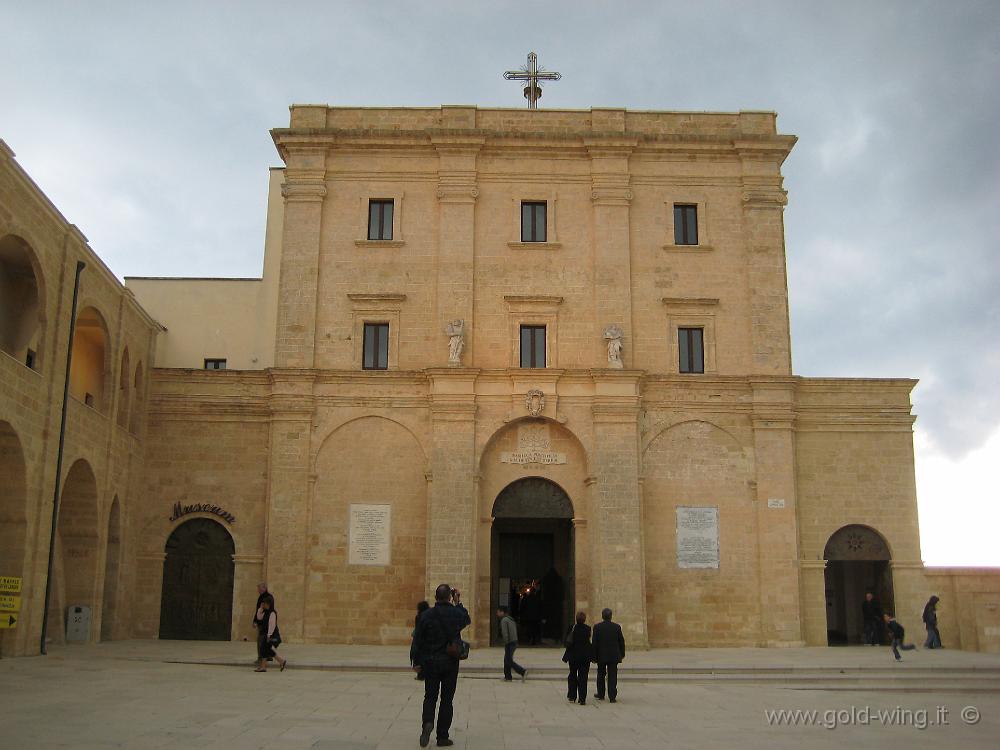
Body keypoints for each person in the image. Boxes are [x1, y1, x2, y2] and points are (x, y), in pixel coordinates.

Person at [411, 584, 471, 748]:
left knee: (430, 696)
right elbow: (466, 619)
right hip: (450, 663)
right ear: (449, 597)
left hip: (430, 662)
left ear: (436, 597)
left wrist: (416, 661)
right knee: (447, 699)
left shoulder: (426, 615)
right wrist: (458, 602)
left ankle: (427, 724)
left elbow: (418, 640)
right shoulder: (456, 613)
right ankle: (442, 736)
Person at [591, 607, 626, 703]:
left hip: (601, 655)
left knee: (601, 674)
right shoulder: (616, 627)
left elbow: (594, 643)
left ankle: (601, 694)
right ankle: (612, 696)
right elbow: (621, 642)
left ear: (602, 616)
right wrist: (622, 654)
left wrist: (593, 656)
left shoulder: (597, 627)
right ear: (611, 616)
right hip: (614, 656)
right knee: (612, 675)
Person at [564, 611, 592, 705]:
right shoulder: (588, 629)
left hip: (573, 656)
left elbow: (567, 641)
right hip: (584, 657)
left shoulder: (571, 628)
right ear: (584, 619)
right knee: (583, 677)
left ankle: (572, 695)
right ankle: (582, 698)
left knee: (572, 675)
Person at [254, 596, 286, 672]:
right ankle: (281, 661)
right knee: (266, 649)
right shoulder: (265, 612)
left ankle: (263, 667)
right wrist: (260, 609)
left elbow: (272, 625)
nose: (263, 604)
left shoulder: (272, 613)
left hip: (270, 635)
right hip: (266, 634)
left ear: (268, 603)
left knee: (264, 649)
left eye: (264, 603)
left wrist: (269, 636)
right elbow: (259, 618)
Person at [497, 606, 527, 681]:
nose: (497, 613)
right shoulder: (510, 619)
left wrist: (506, 642)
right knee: (507, 659)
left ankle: (522, 671)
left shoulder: (504, 620)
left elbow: (505, 633)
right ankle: (508, 677)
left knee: (508, 660)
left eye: (498, 612)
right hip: (514, 641)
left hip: (510, 642)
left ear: (502, 612)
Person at [411, 601, 430, 679]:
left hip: (420, 640)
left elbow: (418, 628)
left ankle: (420, 674)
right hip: (428, 640)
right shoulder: (429, 616)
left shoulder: (418, 616)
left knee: (419, 657)